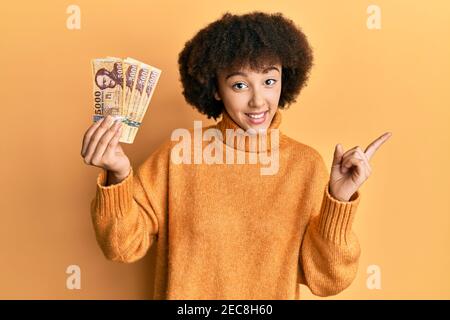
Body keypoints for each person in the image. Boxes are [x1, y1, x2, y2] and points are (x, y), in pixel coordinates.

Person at [81, 11, 391, 299]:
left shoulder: (306, 165)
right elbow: (121, 247)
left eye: (269, 81)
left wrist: (338, 201)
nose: (258, 101)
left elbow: (329, 280)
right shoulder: (177, 156)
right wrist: (119, 176)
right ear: (216, 89)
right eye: (240, 84)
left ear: (285, 81)